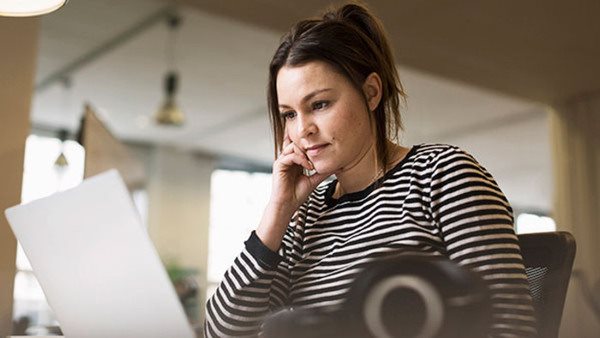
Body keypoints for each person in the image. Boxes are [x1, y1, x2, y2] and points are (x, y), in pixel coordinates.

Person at [204, 2, 537, 337]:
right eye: (289, 114)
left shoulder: (442, 174)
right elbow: (223, 332)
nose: (302, 129)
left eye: (319, 105)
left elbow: (510, 327)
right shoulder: (306, 216)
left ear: (371, 92)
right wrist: (278, 212)